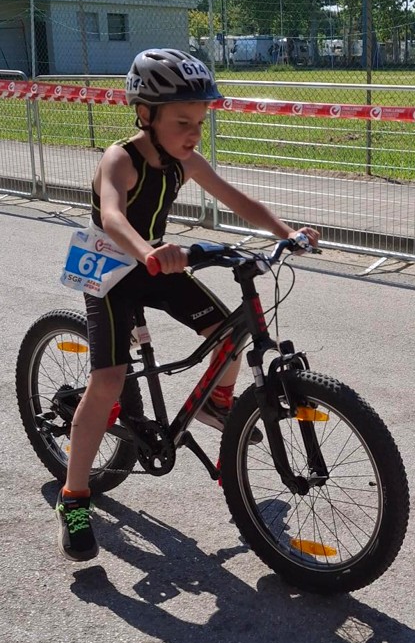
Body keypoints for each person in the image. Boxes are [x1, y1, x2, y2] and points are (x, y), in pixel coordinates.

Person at [56, 48, 320, 562]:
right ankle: (74, 497)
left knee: (228, 335)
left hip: (156, 262)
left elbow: (238, 200)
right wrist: (148, 253)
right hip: (111, 268)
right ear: (145, 114)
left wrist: (286, 232)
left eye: (200, 121)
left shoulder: (185, 161)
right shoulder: (120, 158)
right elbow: (112, 216)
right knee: (107, 380)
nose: (194, 133)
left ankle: (216, 405)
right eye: (183, 122)